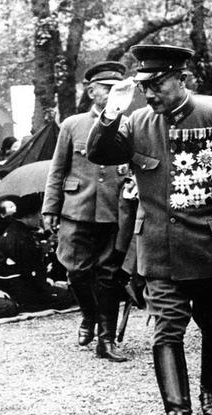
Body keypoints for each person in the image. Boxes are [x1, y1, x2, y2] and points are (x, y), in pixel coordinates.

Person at [87, 45, 212, 415]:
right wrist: (113, 110)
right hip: (160, 250)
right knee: (166, 330)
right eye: (144, 86)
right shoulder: (138, 121)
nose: (150, 94)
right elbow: (99, 152)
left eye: (158, 84)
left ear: (181, 79)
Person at [42, 61, 129, 362]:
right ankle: (89, 315)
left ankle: (106, 339)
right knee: (76, 270)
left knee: (108, 275)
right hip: (76, 207)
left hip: (113, 209)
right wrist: (50, 207)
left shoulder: (129, 124)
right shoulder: (72, 125)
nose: (112, 94)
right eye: (106, 89)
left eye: (118, 89)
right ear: (92, 91)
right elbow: (57, 169)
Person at [0, 196, 74, 312]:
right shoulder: (20, 236)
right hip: (22, 286)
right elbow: (30, 269)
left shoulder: (15, 230)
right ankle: (26, 306)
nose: (40, 218)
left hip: (16, 282)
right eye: (38, 214)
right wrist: (47, 284)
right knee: (66, 296)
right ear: (28, 216)